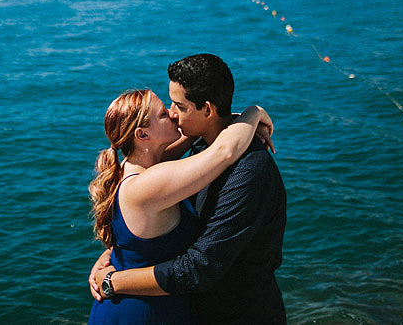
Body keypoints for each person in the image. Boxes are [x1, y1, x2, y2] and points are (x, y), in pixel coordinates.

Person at [89, 54, 288, 324]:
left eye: (177, 105)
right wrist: (251, 114)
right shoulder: (194, 157)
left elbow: (198, 267)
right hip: (164, 310)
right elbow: (223, 149)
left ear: (206, 109)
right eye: (166, 108)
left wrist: (116, 276)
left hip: (239, 314)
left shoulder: (248, 171)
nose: (172, 112)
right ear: (142, 136)